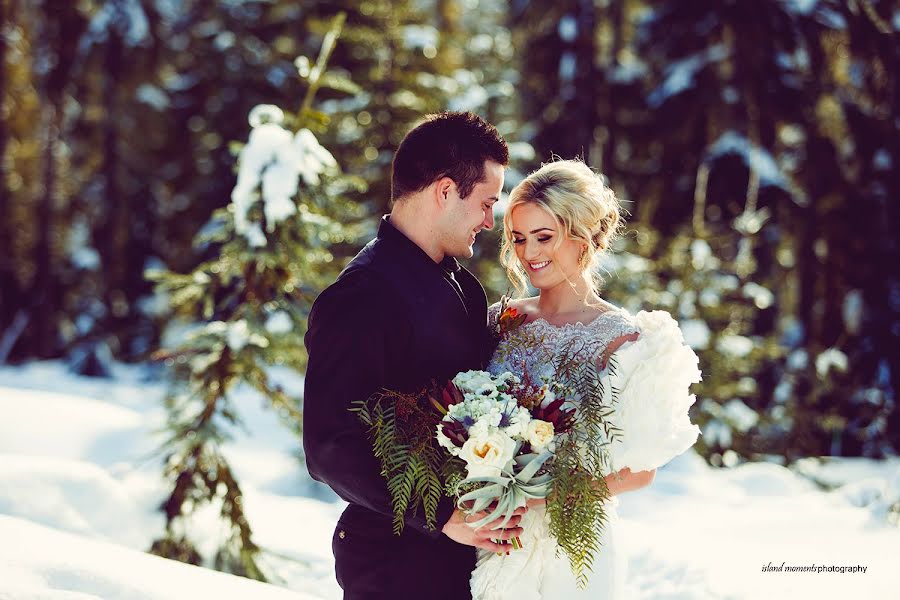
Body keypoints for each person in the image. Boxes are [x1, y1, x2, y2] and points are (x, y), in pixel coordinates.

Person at [303, 111, 527, 599]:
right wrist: (443, 515)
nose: (490, 221)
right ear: (445, 191)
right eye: (486, 203)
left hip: (463, 558)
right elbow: (328, 448)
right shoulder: (359, 297)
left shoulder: (464, 288)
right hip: (392, 562)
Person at [471, 159, 701, 599]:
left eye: (544, 237)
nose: (529, 253)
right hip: (496, 535)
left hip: (575, 546)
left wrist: (537, 497)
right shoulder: (501, 320)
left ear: (584, 238)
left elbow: (639, 473)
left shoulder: (624, 338)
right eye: (519, 238)